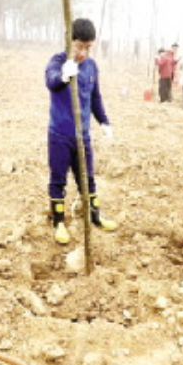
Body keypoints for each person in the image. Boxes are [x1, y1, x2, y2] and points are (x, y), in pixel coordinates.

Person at [46, 18, 118, 244]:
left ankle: (94, 215)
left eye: (88, 47)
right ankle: (58, 221)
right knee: (58, 179)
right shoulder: (58, 61)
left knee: (87, 178)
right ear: (70, 40)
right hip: (60, 135)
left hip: (83, 135)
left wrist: (104, 121)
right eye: (80, 46)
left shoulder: (91, 66)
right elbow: (50, 81)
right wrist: (63, 75)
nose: (84, 52)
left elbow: (95, 97)